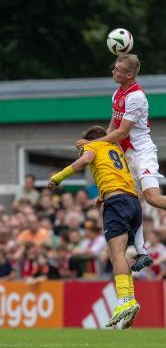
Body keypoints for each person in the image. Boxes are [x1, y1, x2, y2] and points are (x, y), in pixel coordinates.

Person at [76, 54, 166, 264]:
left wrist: (93, 145)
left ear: (129, 74)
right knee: (129, 199)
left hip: (142, 153)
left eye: (117, 69)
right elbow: (113, 127)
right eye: (114, 68)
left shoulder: (137, 97)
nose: (113, 71)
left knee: (153, 197)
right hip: (126, 155)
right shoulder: (117, 94)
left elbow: (122, 132)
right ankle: (142, 252)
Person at [48, 125, 146, 328]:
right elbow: (115, 174)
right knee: (119, 254)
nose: (82, 149)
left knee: (116, 254)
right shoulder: (115, 148)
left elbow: (84, 162)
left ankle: (125, 301)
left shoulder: (95, 146)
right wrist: (102, 195)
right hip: (132, 202)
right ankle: (129, 300)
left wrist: (58, 177)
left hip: (117, 203)